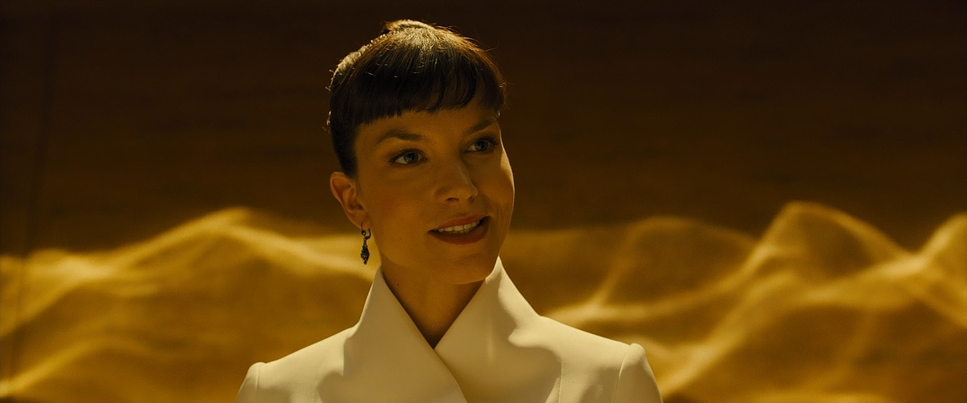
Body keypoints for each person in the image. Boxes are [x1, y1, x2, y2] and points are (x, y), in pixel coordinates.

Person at [236, 19, 663, 403]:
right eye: (409, 157)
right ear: (353, 200)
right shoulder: (278, 394)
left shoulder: (610, 383)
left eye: (480, 145)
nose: (461, 187)